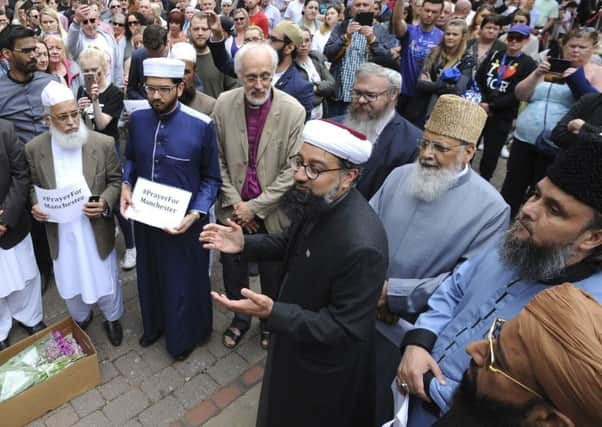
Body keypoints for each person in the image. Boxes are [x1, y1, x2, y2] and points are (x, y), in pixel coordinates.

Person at [394, 137, 602, 426]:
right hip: (405, 388)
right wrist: (419, 342)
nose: (529, 210)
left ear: (592, 238)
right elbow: (455, 288)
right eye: (535, 194)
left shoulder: (585, 318)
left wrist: (435, 387)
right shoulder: (517, 242)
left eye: (554, 210)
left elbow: (534, 402)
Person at [201, 118, 388, 427]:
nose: (300, 175)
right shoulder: (319, 201)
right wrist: (243, 243)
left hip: (321, 371)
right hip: (293, 342)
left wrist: (274, 312)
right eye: (300, 163)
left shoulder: (363, 245)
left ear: (348, 177)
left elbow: (344, 330)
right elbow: (290, 243)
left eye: (314, 168)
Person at [370, 94, 509, 425]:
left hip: (413, 331)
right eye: (424, 144)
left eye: (440, 148)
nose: (427, 155)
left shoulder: (492, 209)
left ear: (468, 152)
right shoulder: (400, 175)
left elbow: (466, 281)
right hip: (363, 303)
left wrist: (394, 293)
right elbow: (366, 231)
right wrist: (367, 283)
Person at [121, 57, 221, 361]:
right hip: (146, 218)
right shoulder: (137, 120)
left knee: (182, 281)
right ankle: (153, 327)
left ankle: (183, 338)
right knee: (149, 275)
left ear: (180, 87)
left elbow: (212, 179)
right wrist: (126, 185)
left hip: (185, 224)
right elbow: (130, 160)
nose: (155, 97)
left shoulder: (201, 126)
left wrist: (196, 213)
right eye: (150, 89)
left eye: (164, 90)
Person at [211, 42, 305, 349]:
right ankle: (240, 318)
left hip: (273, 212)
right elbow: (217, 159)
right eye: (251, 77)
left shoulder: (293, 111)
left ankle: (268, 322)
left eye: (266, 75)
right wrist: (237, 206)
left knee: (272, 274)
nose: (260, 84)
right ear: (238, 76)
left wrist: (256, 208)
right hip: (232, 210)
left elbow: (293, 169)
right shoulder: (223, 104)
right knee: (233, 271)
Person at [26, 81, 124, 346]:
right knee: (70, 278)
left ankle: (112, 318)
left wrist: (104, 202)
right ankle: (81, 317)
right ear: (48, 119)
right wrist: (35, 204)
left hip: (94, 229)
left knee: (104, 278)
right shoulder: (35, 150)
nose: (71, 122)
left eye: (74, 114)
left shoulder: (102, 143)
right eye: (62, 117)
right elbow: (33, 186)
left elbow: (116, 181)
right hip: (61, 232)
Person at [434, 283, 602, 427]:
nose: (472, 349)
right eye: (496, 335)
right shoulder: (477, 413)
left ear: (550, 422)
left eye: (497, 361)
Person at [500, 27, 601, 218]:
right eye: (572, 45)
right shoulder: (550, 65)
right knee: (511, 189)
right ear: (563, 46)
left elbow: (595, 106)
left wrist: (576, 79)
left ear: (593, 49)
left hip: (556, 146)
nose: (576, 50)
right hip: (524, 139)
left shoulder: (596, 72)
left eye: (582, 47)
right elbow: (521, 94)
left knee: (540, 196)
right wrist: (537, 73)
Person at [0, 25, 59, 290]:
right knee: (35, 224)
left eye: (35, 49)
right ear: (7, 54)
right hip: (22, 172)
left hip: (56, 165)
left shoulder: (51, 82)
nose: (35, 55)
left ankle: (62, 263)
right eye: (26, 51)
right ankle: (44, 269)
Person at [340, 62, 420, 199]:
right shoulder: (334, 125)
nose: (361, 100)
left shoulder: (411, 143)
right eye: (357, 93)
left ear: (393, 94)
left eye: (370, 95)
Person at [0, 118, 46, 351]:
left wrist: (5, 217)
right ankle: (1, 328)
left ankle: (30, 316)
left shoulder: (5, 129)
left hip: (12, 220)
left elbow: (21, 175)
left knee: (25, 274)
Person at [475, 23, 536, 182]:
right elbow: (480, 77)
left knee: (491, 155)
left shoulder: (528, 64)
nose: (514, 41)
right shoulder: (495, 55)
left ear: (526, 40)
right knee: (469, 145)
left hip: (501, 115)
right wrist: (482, 101)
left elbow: (518, 94)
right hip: (480, 108)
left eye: (519, 38)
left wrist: (493, 106)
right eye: (511, 37)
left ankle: (484, 183)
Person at [324, 0, 392, 117]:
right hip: (339, 95)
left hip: (366, 98)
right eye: (357, 5)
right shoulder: (342, 26)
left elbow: (387, 60)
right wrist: (345, 37)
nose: (361, 8)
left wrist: (372, 40)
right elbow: (328, 53)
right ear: (351, 9)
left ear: (372, 9)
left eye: (365, 5)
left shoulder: (380, 30)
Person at [392, 0, 444, 126]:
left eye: (434, 12)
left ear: (440, 14)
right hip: (403, 91)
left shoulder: (442, 37)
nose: (429, 14)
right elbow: (397, 22)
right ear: (420, 10)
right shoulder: (409, 31)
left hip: (423, 97)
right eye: (427, 10)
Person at [415, 18, 474, 124]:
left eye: (455, 35)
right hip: (421, 106)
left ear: (463, 37)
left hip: (446, 112)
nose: (450, 37)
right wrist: (445, 86)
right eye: (448, 34)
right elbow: (420, 84)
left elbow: (457, 91)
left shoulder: (467, 60)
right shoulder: (433, 52)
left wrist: (432, 85)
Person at [66, 4, 124, 86]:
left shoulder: (108, 39)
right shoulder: (78, 41)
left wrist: (119, 86)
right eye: (85, 22)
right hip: (87, 90)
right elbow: (69, 45)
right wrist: (76, 22)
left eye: (92, 20)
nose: (89, 25)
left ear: (98, 21)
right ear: (81, 24)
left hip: (109, 90)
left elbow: (117, 66)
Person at [188, 12, 238, 99]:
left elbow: (234, 89)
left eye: (204, 29)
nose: (200, 33)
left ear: (211, 30)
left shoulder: (221, 58)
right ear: (190, 31)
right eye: (196, 29)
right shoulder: (183, 58)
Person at [295, 26, 334, 119]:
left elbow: (331, 84)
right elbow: (301, 92)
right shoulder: (291, 64)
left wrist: (315, 87)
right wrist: (320, 90)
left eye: (307, 40)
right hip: (302, 115)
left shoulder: (316, 59)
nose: (304, 44)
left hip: (321, 112)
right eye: (300, 41)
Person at [169, 41, 216, 115]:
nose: (182, 77)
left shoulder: (209, 106)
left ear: (194, 72)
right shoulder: (161, 102)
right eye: (178, 71)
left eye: (186, 72)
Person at [126, 23, 167, 99]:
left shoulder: (177, 57)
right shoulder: (138, 56)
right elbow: (131, 89)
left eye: (158, 52)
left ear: (165, 44)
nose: (154, 57)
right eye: (150, 53)